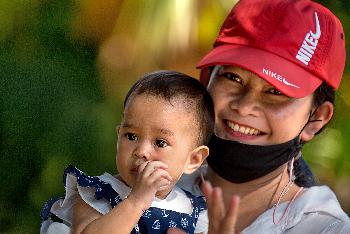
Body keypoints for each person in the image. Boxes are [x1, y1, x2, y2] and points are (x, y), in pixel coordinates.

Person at [177, 0, 350, 233]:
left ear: (316, 118)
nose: (245, 106)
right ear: (207, 79)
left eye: (276, 91)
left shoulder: (325, 228)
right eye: (233, 78)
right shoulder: (147, 188)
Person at [40, 70, 215, 234]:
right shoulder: (98, 193)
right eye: (131, 136)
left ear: (193, 159)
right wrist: (135, 202)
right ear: (119, 135)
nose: (142, 151)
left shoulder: (194, 211)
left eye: (160, 142)